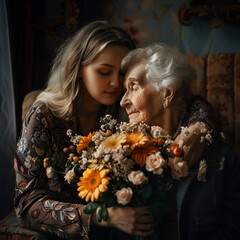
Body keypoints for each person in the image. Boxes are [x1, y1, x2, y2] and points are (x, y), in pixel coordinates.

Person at [14, 20, 216, 240]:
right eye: (104, 72)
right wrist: (104, 216)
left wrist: (199, 126)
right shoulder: (44, 115)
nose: (115, 83)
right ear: (78, 68)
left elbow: (189, 100)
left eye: (121, 75)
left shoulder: (127, 109)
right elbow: (26, 204)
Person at [120, 43, 240, 240]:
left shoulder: (222, 158)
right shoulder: (119, 154)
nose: (123, 101)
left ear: (167, 93)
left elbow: (233, 230)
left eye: (133, 87)